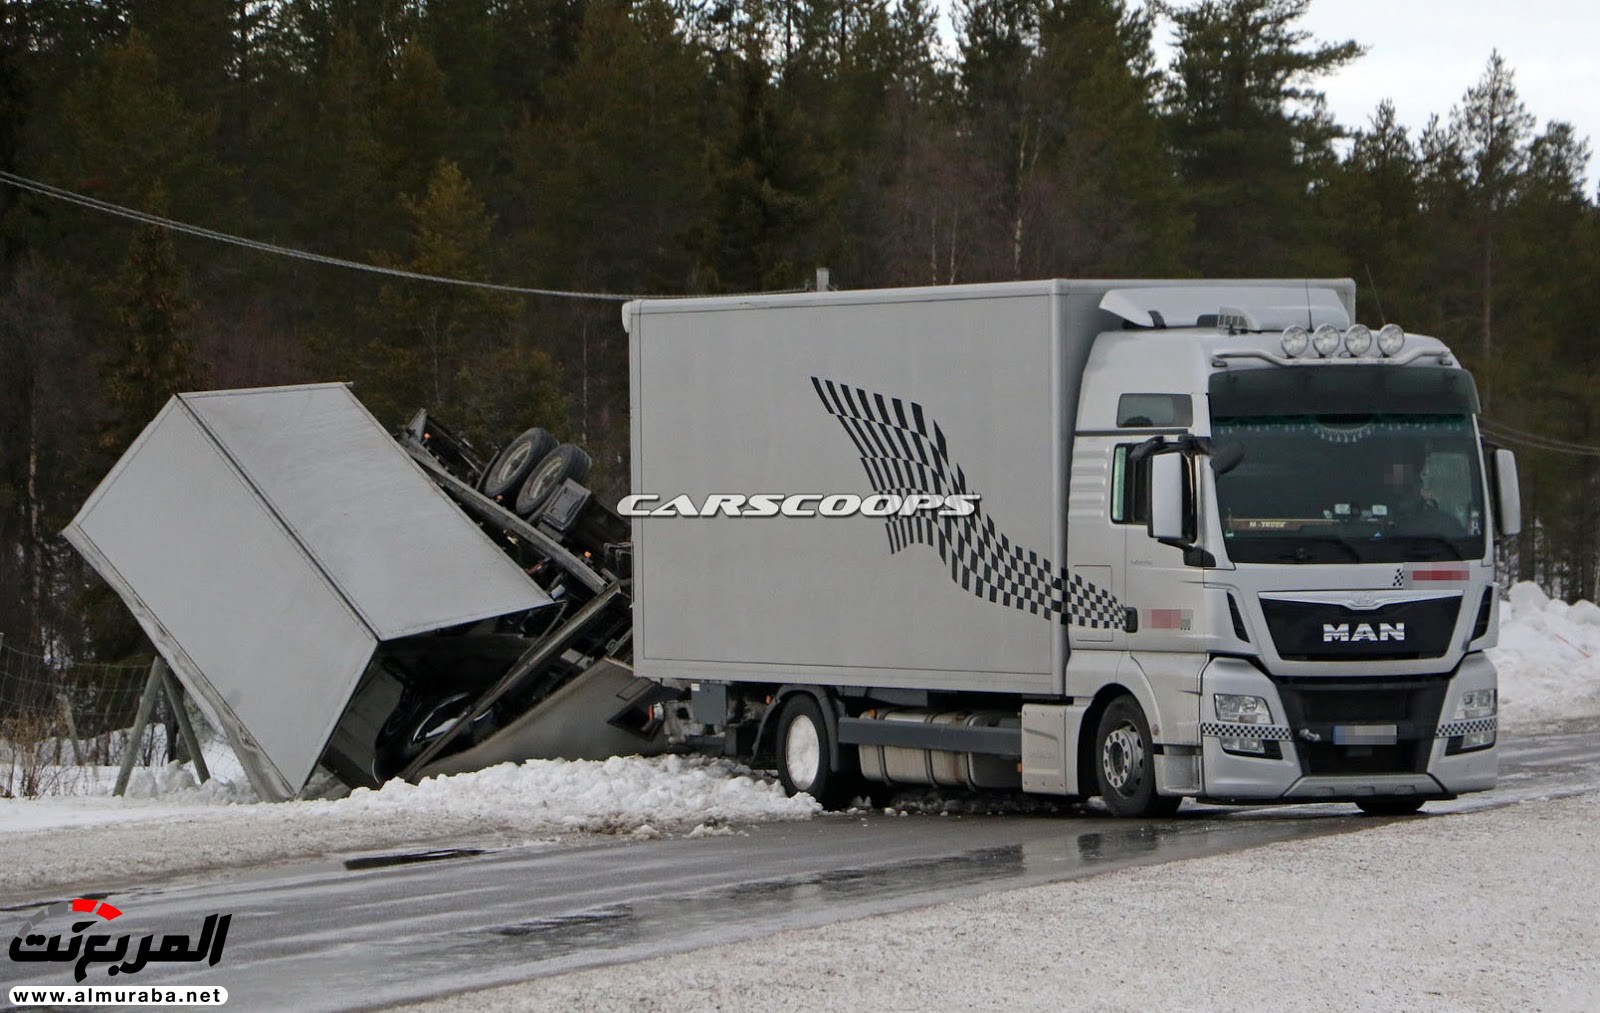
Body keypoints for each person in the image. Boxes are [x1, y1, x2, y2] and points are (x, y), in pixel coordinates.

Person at [1381, 457, 1465, 536]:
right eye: (1397, 486)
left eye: (1407, 487)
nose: (1401, 491)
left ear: (1419, 485)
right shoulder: (1378, 528)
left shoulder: (1442, 524)